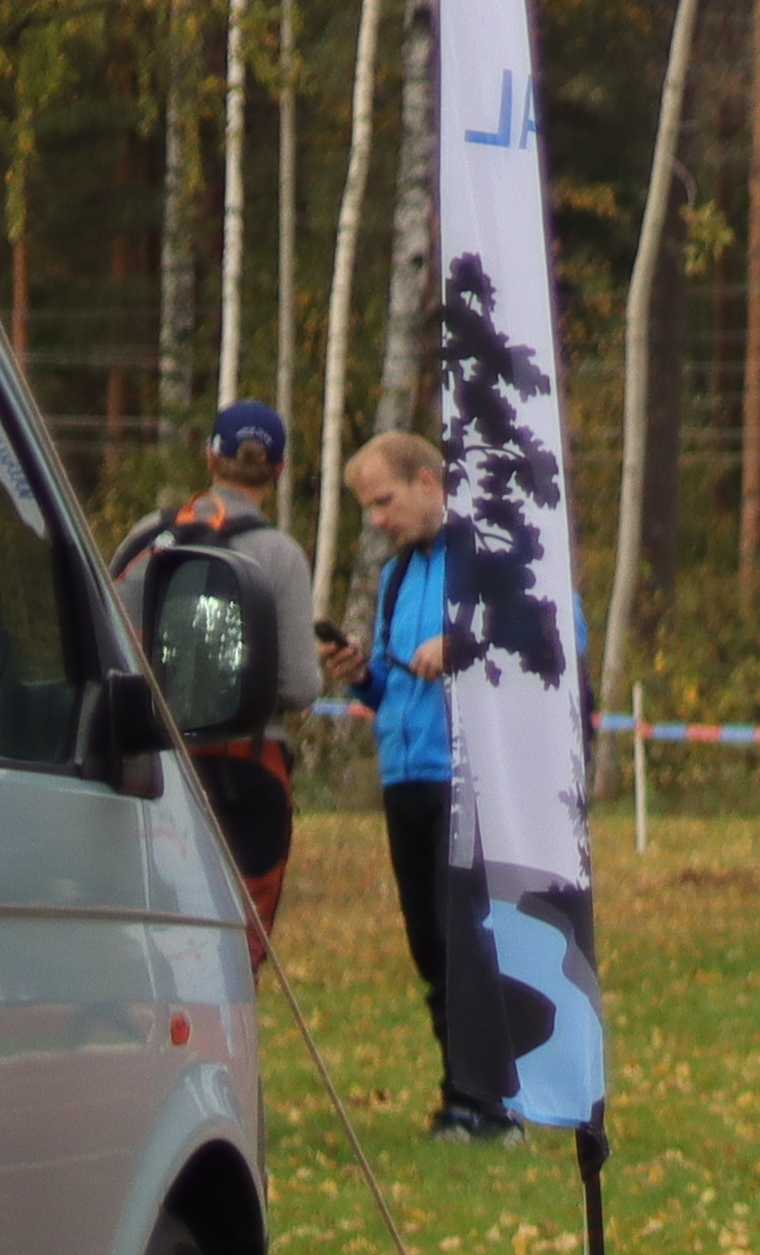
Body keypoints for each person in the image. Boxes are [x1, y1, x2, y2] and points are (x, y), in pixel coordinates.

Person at [336, 428, 507, 1139]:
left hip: (465, 776)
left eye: (384, 502)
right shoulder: (397, 577)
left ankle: (489, 1104)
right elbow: (391, 684)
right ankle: (459, 1093)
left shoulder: (492, 555)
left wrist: (462, 644)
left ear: (428, 483)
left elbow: (553, 637)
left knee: (464, 939)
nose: (377, 519)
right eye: (368, 508)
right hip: (403, 776)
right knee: (430, 947)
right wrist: (359, 673)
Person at [113, 403, 317, 940]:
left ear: (209, 457)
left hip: (154, 757)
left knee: (157, 918)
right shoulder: (279, 554)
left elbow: (109, 637)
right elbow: (300, 685)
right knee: (238, 934)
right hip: (249, 763)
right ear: (279, 469)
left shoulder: (149, 534)